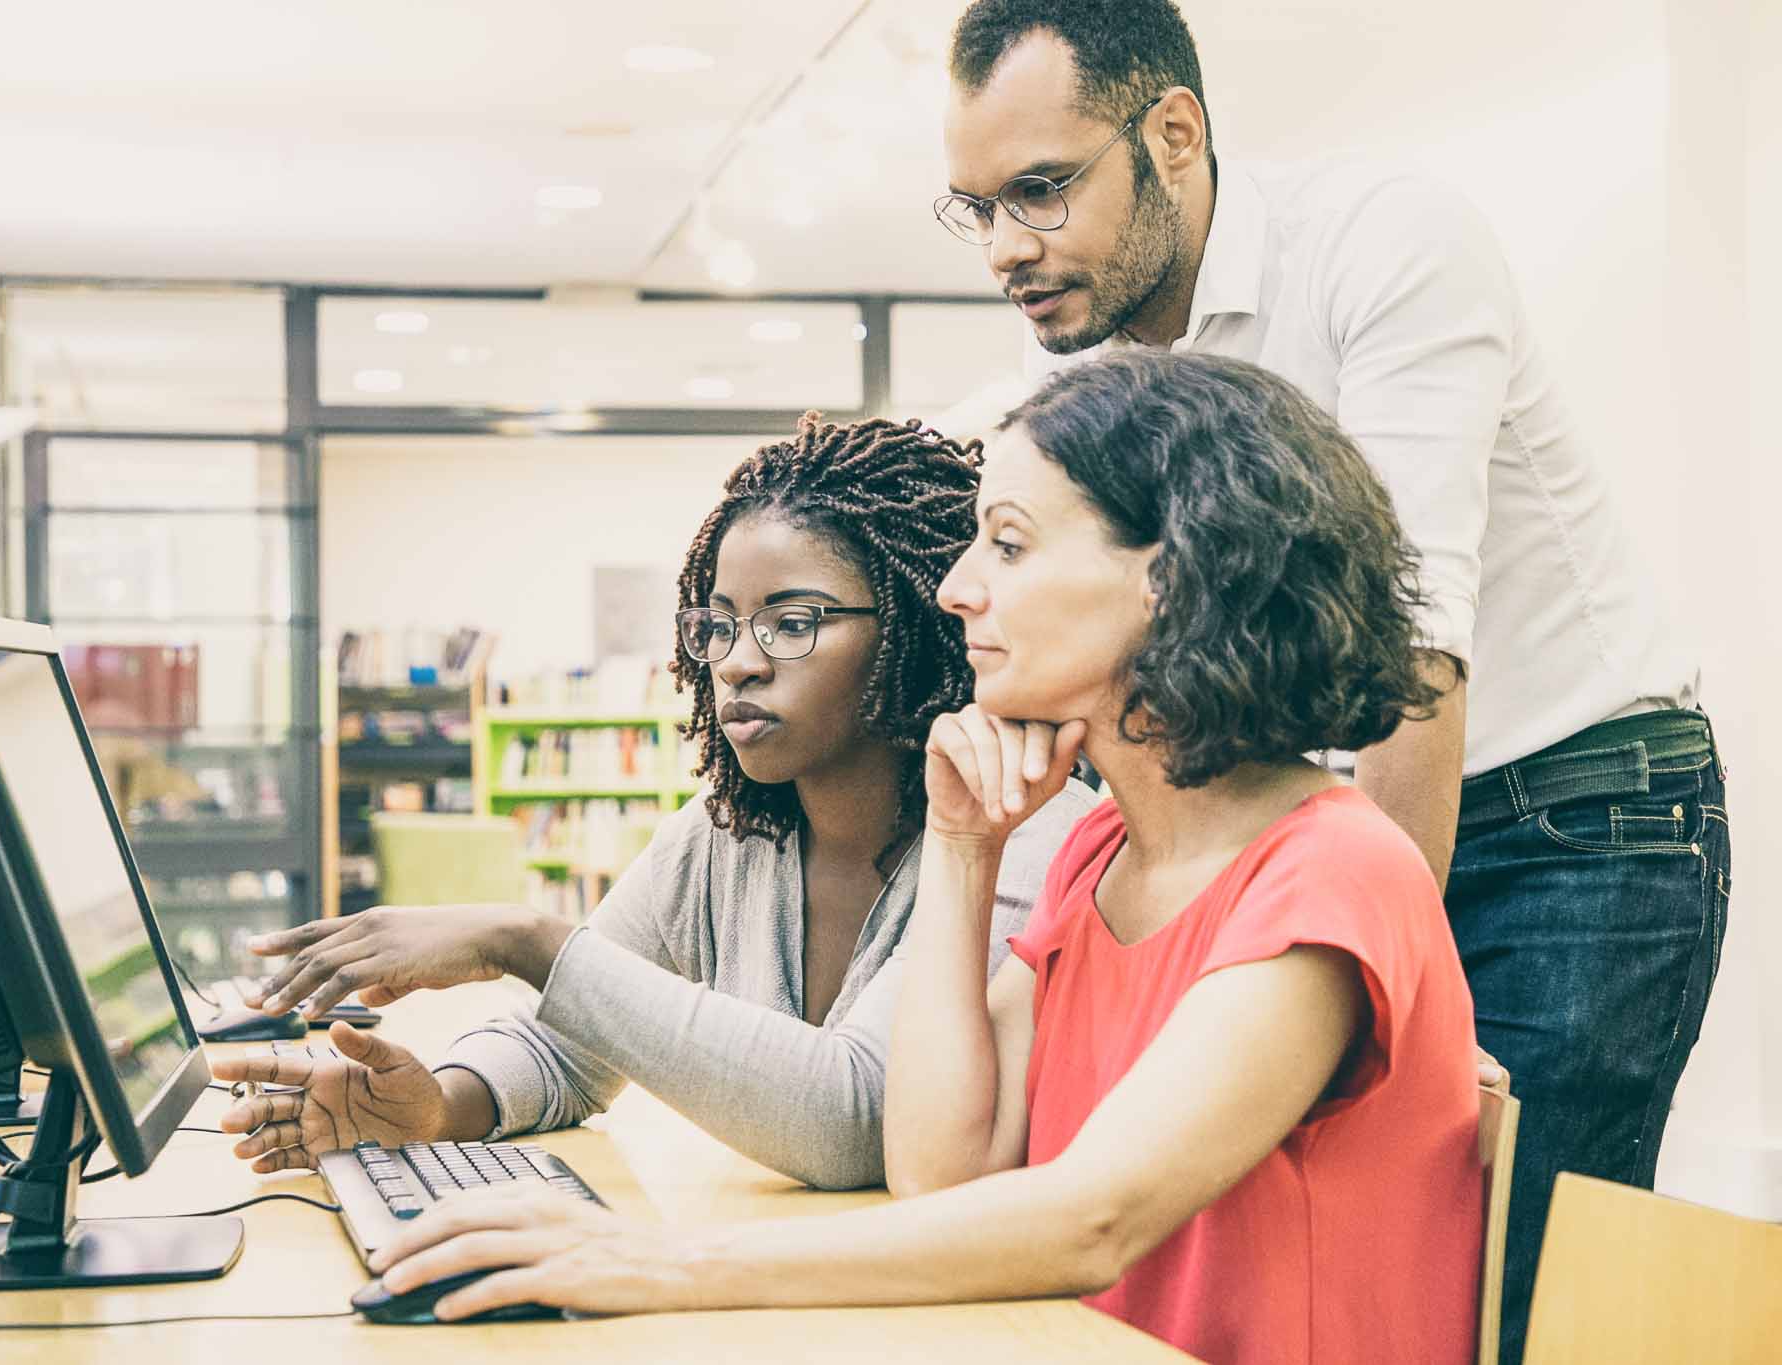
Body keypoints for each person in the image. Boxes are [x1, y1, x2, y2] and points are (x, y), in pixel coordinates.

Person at [359, 353, 1485, 1365]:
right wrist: (958, 846)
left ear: (1173, 577)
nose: (955, 589)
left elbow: (1093, 1216)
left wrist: (657, 1264)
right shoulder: (1102, 852)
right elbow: (940, 1167)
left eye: (1006, 543)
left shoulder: (1329, 870)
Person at [933, 5, 1730, 1357]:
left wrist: (1409, 1000)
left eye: (1043, 190)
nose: (1011, 245)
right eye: (978, 208)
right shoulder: (1085, 342)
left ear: (1173, 134)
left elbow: (1415, 657)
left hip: (1574, 809)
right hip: (1319, 824)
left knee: (1514, 1290)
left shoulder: (1385, 240)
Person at [210, 414, 1095, 1189]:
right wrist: (436, 1106)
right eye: (716, 624)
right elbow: (570, 1043)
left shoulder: (1020, 830)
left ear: (916, 630)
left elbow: (857, 1118)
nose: (736, 661)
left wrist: (526, 939)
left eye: (792, 623)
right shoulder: (726, 833)